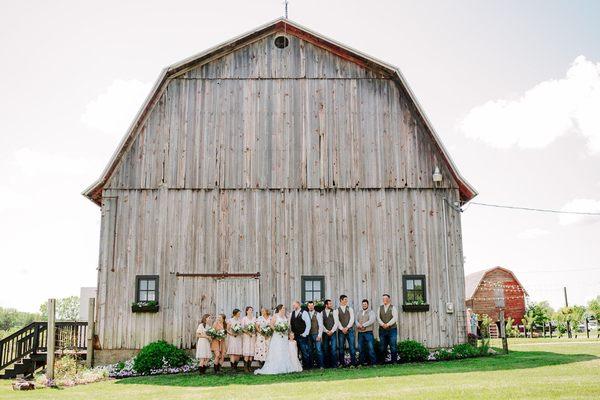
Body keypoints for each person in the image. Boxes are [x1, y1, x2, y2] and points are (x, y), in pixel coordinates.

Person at [254, 304, 303, 375]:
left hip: (284, 336)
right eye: (283, 308)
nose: (284, 309)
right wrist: (277, 330)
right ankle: (276, 367)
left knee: (285, 350)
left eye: (284, 308)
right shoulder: (275, 316)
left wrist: (287, 332)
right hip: (277, 336)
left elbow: (287, 326)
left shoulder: (285, 316)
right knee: (277, 350)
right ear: (279, 309)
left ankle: (285, 366)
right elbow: (271, 325)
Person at [334, 294, 356, 367]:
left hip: (350, 330)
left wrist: (347, 327)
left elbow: (352, 319)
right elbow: (337, 321)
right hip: (341, 331)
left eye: (347, 299)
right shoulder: (337, 310)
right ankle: (342, 363)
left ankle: (353, 363)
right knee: (341, 347)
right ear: (341, 300)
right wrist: (342, 328)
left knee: (352, 347)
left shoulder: (350, 309)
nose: (346, 301)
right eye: (345, 299)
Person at [290, 300, 312, 369]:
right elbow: (291, 324)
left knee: (304, 352)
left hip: (302, 335)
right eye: (293, 305)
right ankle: (297, 367)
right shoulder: (292, 313)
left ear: (298, 305)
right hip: (294, 336)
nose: (293, 306)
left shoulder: (304, 312)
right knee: (295, 352)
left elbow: (308, 324)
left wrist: (305, 334)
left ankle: (307, 367)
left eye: (294, 305)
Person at [377, 294, 398, 364]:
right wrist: (383, 324)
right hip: (382, 329)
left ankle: (394, 361)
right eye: (383, 299)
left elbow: (395, 318)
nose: (384, 300)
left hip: (392, 329)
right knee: (382, 346)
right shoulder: (380, 308)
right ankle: (382, 361)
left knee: (393, 345)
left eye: (386, 298)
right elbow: (378, 318)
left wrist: (388, 324)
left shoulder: (393, 308)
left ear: (389, 299)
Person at [356, 299, 377, 366]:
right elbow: (355, 320)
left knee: (371, 348)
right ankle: (361, 363)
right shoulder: (359, 312)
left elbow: (371, 320)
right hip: (360, 333)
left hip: (368, 332)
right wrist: (358, 325)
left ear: (367, 305)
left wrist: (363, 325)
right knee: (360, 348)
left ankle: (373, 363)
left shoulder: (371, 312)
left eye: (365, 304)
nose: (364, 305)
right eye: (363, 304)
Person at [306, 300, 324, 369]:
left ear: (314, 306)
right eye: (309, 306)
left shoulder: (318, 314)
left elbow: (321, 325)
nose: (311, 307)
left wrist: (319, 335)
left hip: (316, 334)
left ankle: (321, 365)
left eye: (312, 306)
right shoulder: (306, 314)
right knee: (310, 350)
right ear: (308, 307)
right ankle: (311, 366)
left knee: (318, 350)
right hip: (309, 335)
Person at [322, 299, 338, 368]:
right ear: (326, 305)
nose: (331, 305)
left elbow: (336, 322)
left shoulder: (334, 311)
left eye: (331, 304)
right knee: (325, 349)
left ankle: (334, 365)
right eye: (330, 304)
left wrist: (332, 331)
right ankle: (327, 364)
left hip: (333, 333)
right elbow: (321, 324)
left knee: (333, 349)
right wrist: (326, 331)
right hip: (325, 333)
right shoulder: (321, 313)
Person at [241, 306, 257, 372]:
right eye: (249, 310)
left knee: (251, 351)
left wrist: (254, 332)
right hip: (247, 336)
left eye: (251, 310)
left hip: (253, 336)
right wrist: (248, 333)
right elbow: (242, 328)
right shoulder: (244, 319)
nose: (251, 311)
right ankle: (245, 368)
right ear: (246, 311)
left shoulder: (254, 318)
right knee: (247, 351)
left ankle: (249, 367)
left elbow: (256, 327)